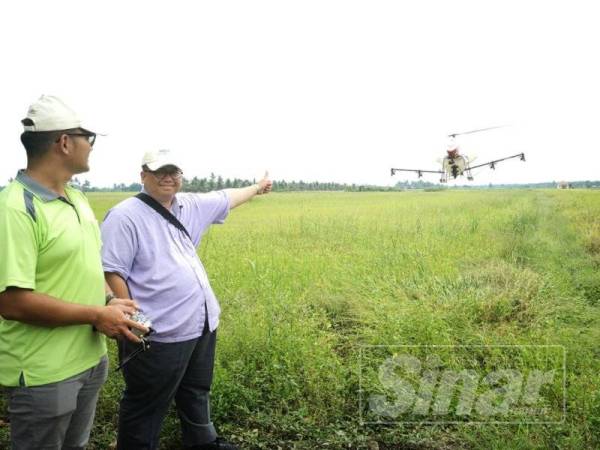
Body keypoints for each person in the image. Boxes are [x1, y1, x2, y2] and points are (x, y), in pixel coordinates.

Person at [0, 95, 148, 450]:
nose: (91, 147)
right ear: (65, 142)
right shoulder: (15, 209)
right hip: (43, 374)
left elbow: (85, 267)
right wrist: (96, 314)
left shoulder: (77, 199)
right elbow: (12, 302)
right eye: (88, 138)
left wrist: (112, 302)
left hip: (89, 361)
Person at [101, 148, 272, 450]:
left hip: (201, 326)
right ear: (143, 175)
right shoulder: (125, 216)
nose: (167, 177)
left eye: (173, 172)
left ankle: (203, 443)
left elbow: (227, 196)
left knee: (196, 391)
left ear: (180, 176)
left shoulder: (190, 206)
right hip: (158, 335)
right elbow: (111, 273)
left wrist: (257, 188)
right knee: (146, 403)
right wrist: (134, 323)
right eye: (159, 172)